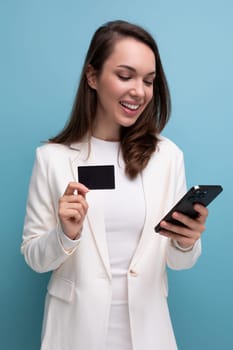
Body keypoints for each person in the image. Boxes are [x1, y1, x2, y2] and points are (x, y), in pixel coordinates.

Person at [21, 20, 208, 350]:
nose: (139, 91)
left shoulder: (167, 157)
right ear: (92, 77)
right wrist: (65, 233)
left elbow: (179, 262)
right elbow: (35, 259)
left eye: (149, 81)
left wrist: (186, 242)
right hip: (75, 333)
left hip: (149, 333)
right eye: (125, 76)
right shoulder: (52, 158)